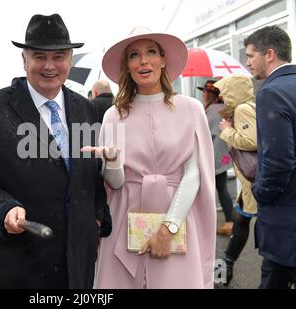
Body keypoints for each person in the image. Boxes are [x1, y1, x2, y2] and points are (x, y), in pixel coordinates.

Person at [0, 13, 108, 289]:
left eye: (60, 56)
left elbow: (91, 174)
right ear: (25, 60)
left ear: (70, 60)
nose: (50, 66)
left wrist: (97, 216)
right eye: (40, 56)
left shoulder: (86, 109)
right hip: (19, 264)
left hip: (77, 264)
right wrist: (4, 208)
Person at [83, 27, 216, 289]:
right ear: (127, 66)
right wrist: (111, 161)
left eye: (151, 52)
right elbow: (116, 182)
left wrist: (169, 229)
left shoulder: (191, 109)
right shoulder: (113, 115)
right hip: (124, 219)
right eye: (134, 55)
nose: (143, 61)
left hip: (176, 216)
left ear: (163, 59)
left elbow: (193, 175)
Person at [244, 26, 296, 289]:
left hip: (285, 220)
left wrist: (260, 192)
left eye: (251, 55)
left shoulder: (271, 92)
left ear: (270, 55)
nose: (247, 62)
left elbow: (279, 161)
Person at [214, 74, 257, 287]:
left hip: (254, 182)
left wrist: (226, 130)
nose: (222, 95)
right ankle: (224, 267)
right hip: (250, 183)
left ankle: (223, 268)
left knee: (247, 224)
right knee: (241, 222)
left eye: (225, 90)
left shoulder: (243, 109)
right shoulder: (246, 107)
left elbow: (251, 141)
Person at [197, 80, 234, 236]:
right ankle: (231, 221)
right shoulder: (223, 109)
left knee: (210, 190)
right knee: (222, 188)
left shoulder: (212, 111)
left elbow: (207, 136)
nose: (203, 94)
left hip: (214, 157)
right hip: (224, 156)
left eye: (205, 91)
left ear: (212, 94)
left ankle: (224, 222)